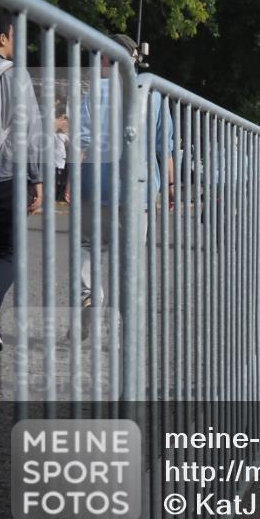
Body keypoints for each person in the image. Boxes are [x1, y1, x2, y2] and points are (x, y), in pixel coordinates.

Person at [74, 33, 173, 339]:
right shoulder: (153, 95)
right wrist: (169, 186)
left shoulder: (93, 92)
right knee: (129, 256)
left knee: (89, 246)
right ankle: (125, 326)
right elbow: (163, 148)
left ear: (105, 58)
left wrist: (70, 181)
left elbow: (82, 142)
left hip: (97, 185)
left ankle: (90, 295)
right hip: (138, 188)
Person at [0, 8, 45, 352]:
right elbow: (30, 134)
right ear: (2, 38)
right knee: (11, 250)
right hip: (3, 175)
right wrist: (37, 177)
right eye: (16, 36)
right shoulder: (16, 76)